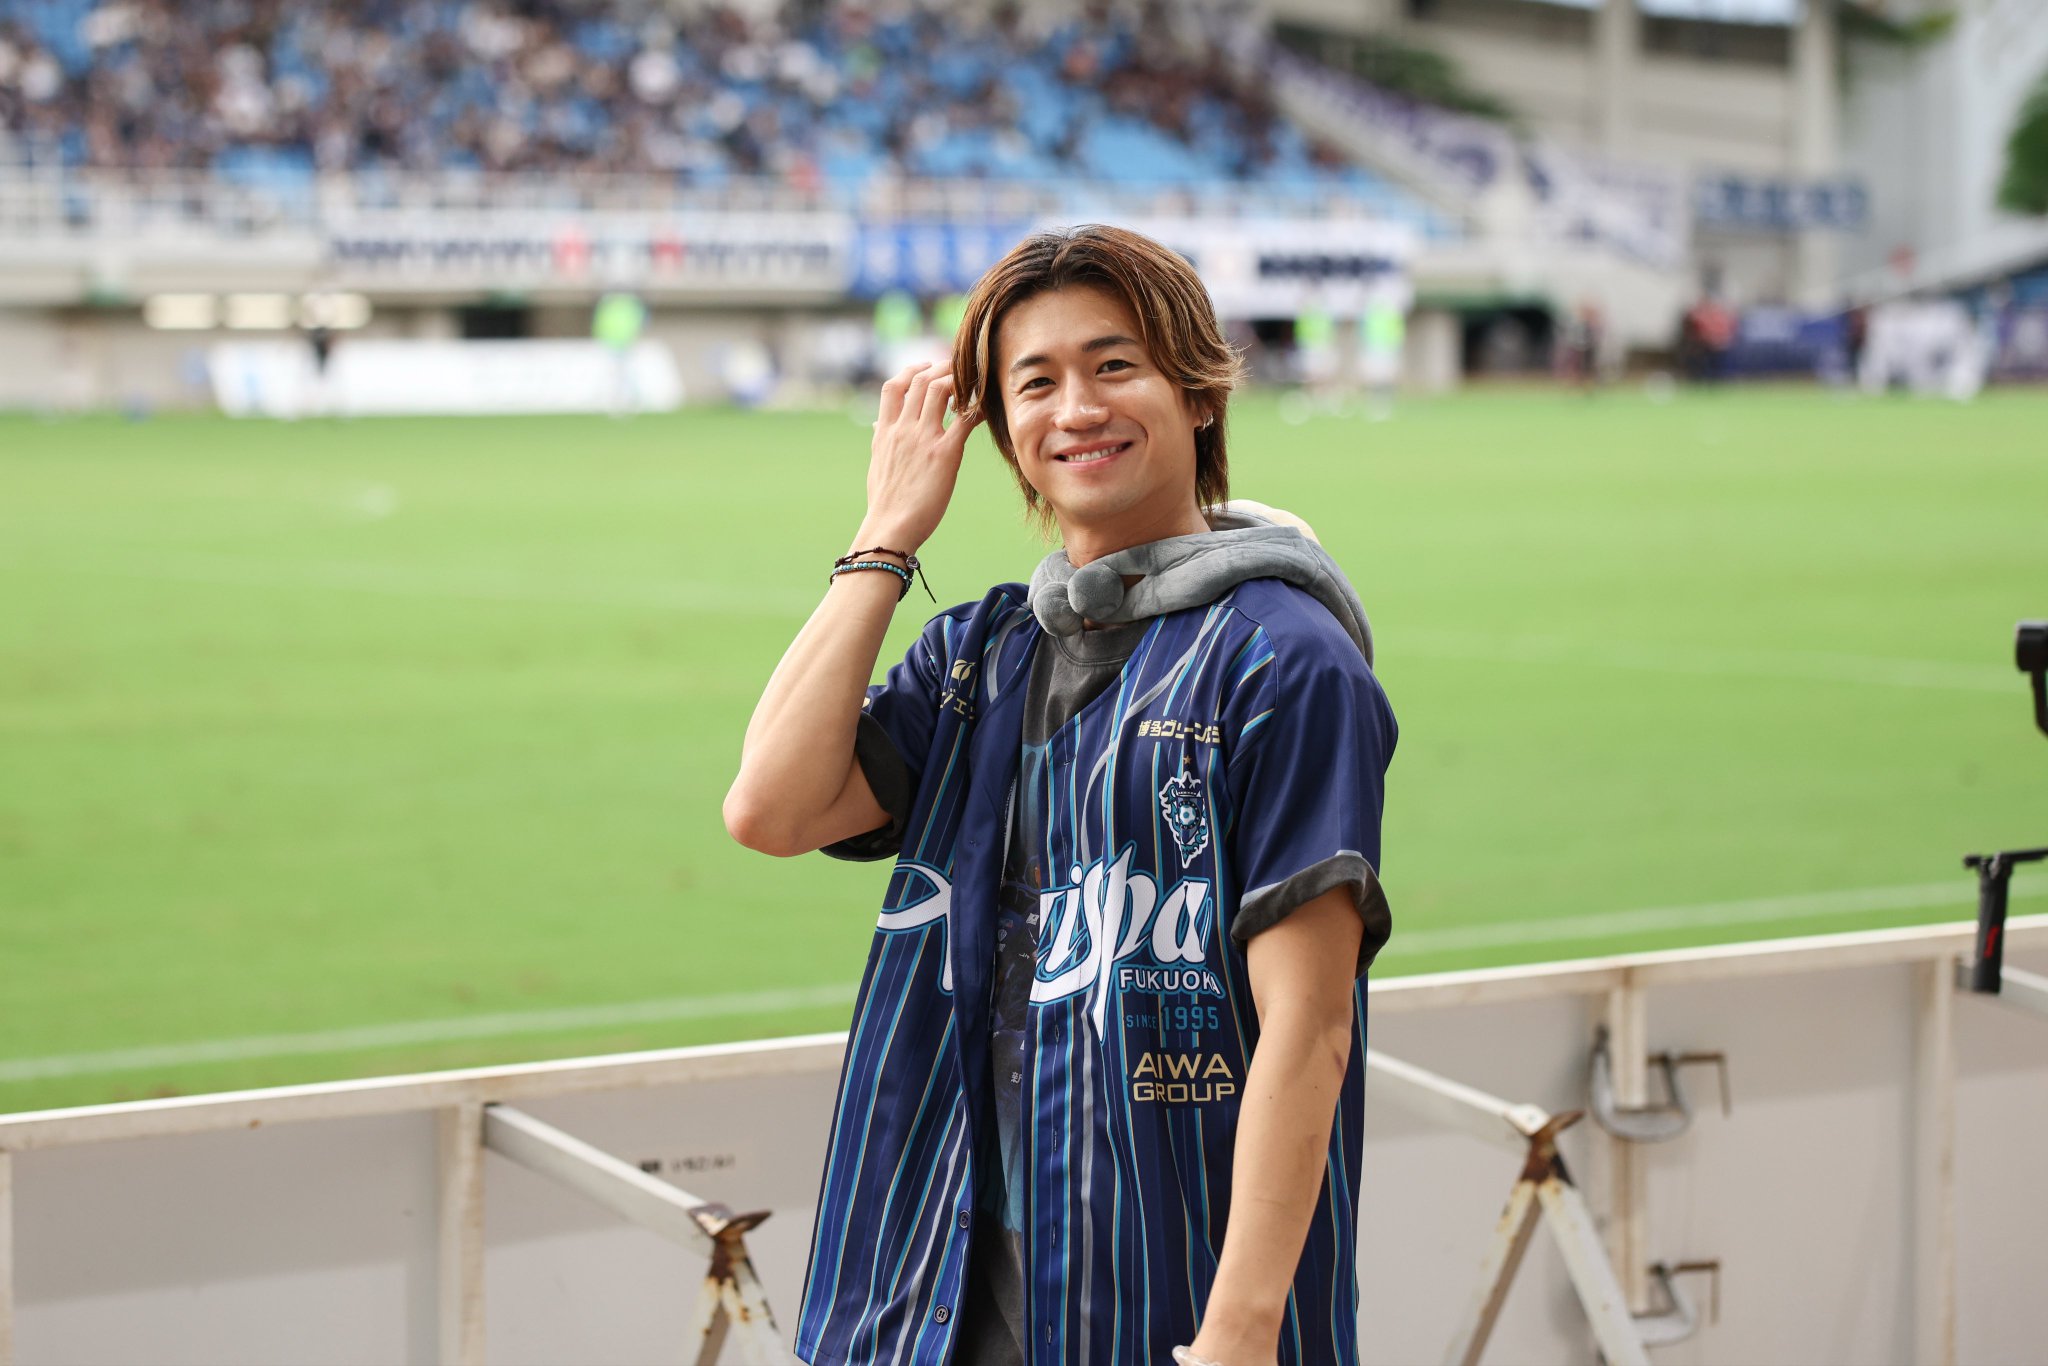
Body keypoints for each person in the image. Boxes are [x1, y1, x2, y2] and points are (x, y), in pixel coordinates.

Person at [725, 224, 1396, 1366]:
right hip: (930, 1295)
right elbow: (771, 809)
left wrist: (1239, 1332)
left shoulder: (1282, 661)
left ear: (1198, 393)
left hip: (1161, 1303)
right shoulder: (980, 655)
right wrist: (885, 536)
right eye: (1034, 383)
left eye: (1114, 365)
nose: (1077, 408)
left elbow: (1309, 1023)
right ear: (1003, 432)